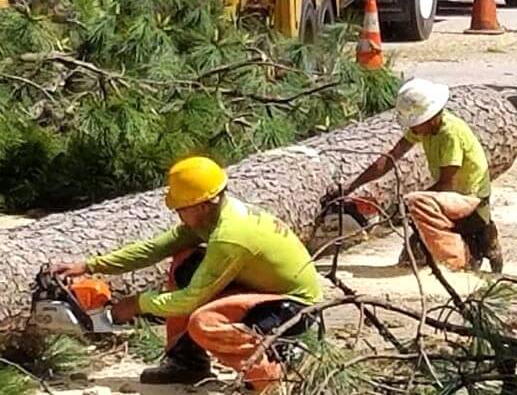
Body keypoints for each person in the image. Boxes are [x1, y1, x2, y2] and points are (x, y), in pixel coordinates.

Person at [50, 156, 322, 391]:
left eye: (180, 208)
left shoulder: (231, 236)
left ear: (203, 204)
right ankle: (187, 362)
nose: (177, 214)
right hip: (266, 291)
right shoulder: (212, 217)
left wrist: (135, 305)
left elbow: (189, 300)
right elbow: (155, 249)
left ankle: (270, 379)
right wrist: (91, 265)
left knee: (204, 323)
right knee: (185, 262)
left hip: (293, 309)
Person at [325, 78, 503, 273]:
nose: (413, 129)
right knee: (413, 255)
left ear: (430, 117)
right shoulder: (425, 129)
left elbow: (447, 184)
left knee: (465, 262)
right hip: (448, 194)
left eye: (416, 124)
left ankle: (486, 240)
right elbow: (390, 159)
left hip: (469, 197)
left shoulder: (450, 135)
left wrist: (409, 204)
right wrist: (351, 187)